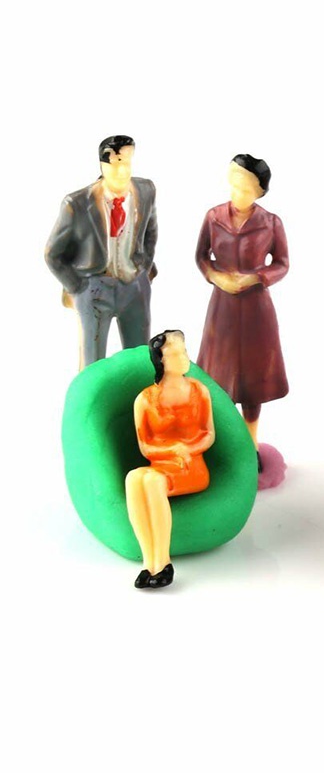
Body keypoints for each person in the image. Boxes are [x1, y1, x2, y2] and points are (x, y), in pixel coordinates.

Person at [195, 154, 288, 472]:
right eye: (235, 184)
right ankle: (219, 443)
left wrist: (256, 277)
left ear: (260, 191)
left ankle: (250, 444)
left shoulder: (271, 223)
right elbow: (201, 256)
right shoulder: (213, 217)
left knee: (252, 381)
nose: (239, 192)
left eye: (247, 188)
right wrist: (215, 276)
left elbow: (282, 263)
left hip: (255, 310)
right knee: (218, 375)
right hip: (222, 308)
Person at [45, 136, 158, 368]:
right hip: (95, 288)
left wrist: (144, 267)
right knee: (93, 361)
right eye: (115, 163)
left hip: (134, 287)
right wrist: (78, 287)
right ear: (102, 165)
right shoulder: (76, 204)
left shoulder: (146, 191)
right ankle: (91, 392)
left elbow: (150, 231)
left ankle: (138, 391)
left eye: (126, 161)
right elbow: (53, 253)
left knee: (139, 357)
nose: (122, 170)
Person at [125, 331, 215, 589]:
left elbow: (209, 434)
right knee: (134, 478)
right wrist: (172, 450)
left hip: (191, 467)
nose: (183, 357)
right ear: (161, 361)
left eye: (183, 351)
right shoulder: (145, 399)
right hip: (162, 464)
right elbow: (145, 446)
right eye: (175, 354)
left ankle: (162, 562)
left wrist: (188, 449)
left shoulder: (199, 391)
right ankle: (149, 562)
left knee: (152, 482)